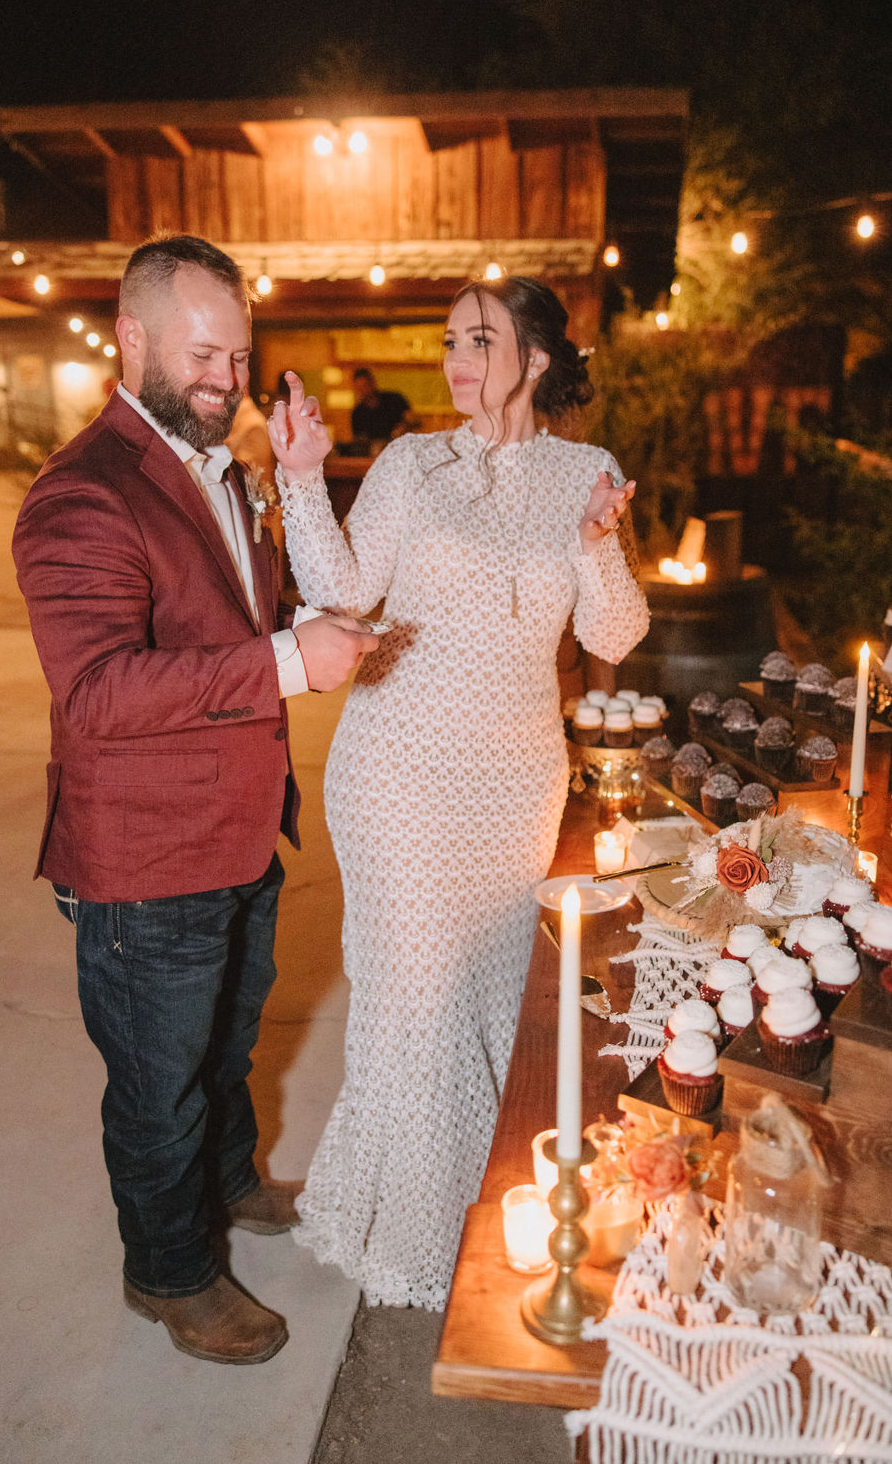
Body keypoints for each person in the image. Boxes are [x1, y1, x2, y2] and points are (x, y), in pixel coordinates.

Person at [12, 235, 377, 1364]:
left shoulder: (222, 470)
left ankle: (226, 1185)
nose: (226, 375)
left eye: (240, 353)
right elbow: (99, 688)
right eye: (203, 351)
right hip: (144, 856)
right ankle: (167, 1271)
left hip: (237, 830)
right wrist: (287, 661)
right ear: (131, 340)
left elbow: (246, 612)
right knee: (159, 1081)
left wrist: (300, 488)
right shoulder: (80, 495)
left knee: (225, 1045)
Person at [268, 275, 649, 1309]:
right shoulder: (408, 460)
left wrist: (595, 546)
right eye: (448, 339)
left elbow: (613, 634)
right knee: (416, 996)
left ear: (534, 357)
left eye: (479, 338)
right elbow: (343, 591)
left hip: (514, 776)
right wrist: (301, 478)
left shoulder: (588, 473)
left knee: (483, 996)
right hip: (397, 768)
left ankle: (477, 1210)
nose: (455, 357)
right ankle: (417, 1236)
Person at [348, 366, 414, 453]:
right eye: (359, 388)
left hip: (400, 449)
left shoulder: (395, 400)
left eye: (365, 386)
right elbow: (359, 440)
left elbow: (413, 420)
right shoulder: (357, 413)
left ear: (372, 383)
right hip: (372, 455)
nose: (363, 391)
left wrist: (404, 426)